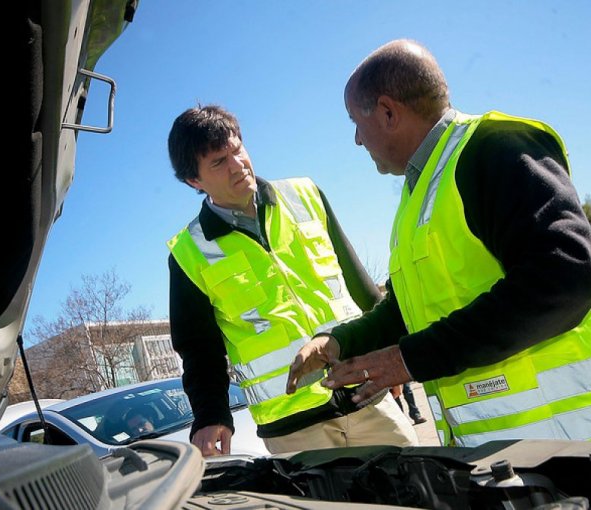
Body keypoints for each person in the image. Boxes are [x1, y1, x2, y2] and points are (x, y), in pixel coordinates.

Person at [287, 39, 591, 448]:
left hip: (585, 444)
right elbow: (412, 306)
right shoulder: (420, 194)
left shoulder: (493, 149)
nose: (357, 139)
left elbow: (562, 279)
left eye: (356, 121)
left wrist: (407, 360)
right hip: (516, 459)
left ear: (389, 112)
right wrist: (338, 342)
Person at [166, 105, 417, 456]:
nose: (237, 165)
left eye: (237, 150)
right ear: (195, 180)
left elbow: (362, 289)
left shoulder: (305, 195)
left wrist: (393, 356)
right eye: (219, 162)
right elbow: (198, 350)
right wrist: (210, 415)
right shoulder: (188, 253)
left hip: (366, 394)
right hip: (293, 428)